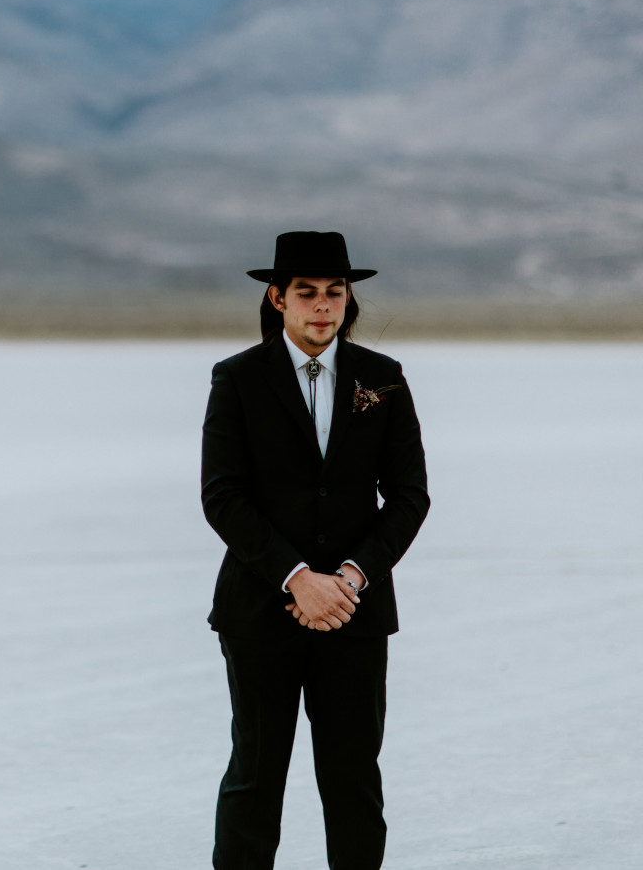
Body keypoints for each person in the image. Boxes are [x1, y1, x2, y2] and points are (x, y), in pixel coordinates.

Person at [202, 231, 430, 870]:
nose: (323, 306)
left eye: (335, 292)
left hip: (353, 616)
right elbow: (222, 497)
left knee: (354, 780)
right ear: (278, 298)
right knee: (255, 777)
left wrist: (349, 578)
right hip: (259, 612)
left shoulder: (382, 380)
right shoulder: (239, 379)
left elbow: (409, 496)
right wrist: (297, 577)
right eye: (307, 293)